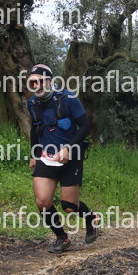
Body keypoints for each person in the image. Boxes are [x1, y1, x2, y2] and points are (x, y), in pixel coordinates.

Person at [27, 64, 99, 253]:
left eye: (39, 81)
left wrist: (68, 148)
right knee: (42, 202)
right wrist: (34, 154)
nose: (36, 86)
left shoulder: (68, 98)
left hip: (71, 157)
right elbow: (35, 128)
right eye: (32, 83)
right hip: (46, 156)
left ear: (49, 81)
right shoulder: (32, 103)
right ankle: (62, 237)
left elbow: (85, 126)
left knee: (69, 206)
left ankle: (91, 217)